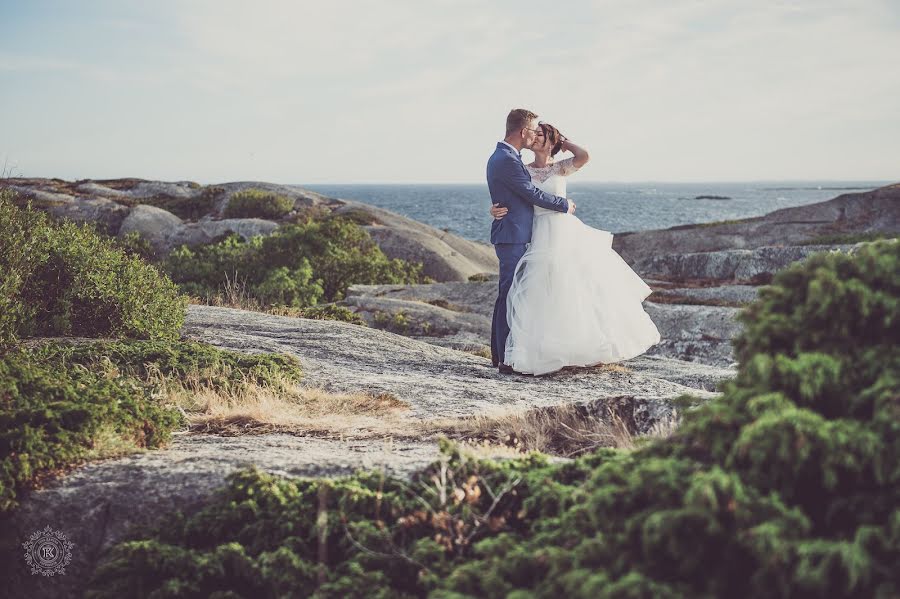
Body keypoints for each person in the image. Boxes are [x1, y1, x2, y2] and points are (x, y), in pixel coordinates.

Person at [489, 121, 661, 376]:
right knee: (538, 292)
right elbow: (516, 193)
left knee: (574, 287)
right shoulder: (523, 170)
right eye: (535, 133)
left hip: (563, 232)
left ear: (550, 142)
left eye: (542, 135)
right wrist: (494, 209)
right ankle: (535, 350)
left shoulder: (561, 168)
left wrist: (561, 140)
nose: (536, 137)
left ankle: (578, 346)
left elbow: (584, 156)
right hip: (538, 233)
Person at [487, 109, 575, 375]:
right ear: (523, 132)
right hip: (513, 236)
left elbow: (512, 194)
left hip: (522, 234)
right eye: (533, 131)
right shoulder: (506, 159)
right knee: (509, 294)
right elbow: (529, 192)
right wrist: (563, 204)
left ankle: (503, 354)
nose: (535, 135)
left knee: (515, 294)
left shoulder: (506, 157)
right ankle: (503, 358)